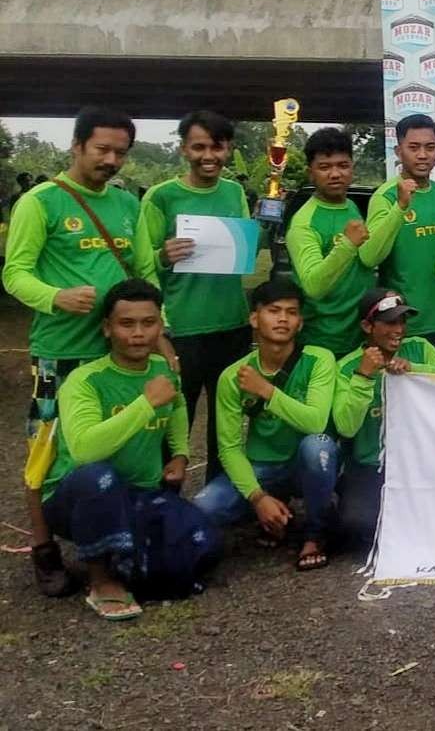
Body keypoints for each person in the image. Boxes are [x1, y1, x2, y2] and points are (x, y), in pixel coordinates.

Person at [2, 107, 160, 597]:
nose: (111, 160)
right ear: (75, 146)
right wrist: (56, 298)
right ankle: (45, 550)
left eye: (120, 153)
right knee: (46, 450)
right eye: (102, 150)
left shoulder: (126, 205)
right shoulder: (40, 203)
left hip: (118, 354)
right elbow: (14, 273)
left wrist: (158, 329)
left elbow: (144, 271)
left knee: (121, 439)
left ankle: (112, 541)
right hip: (61, 354)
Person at [40, 279, 217, 619]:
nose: (138, 333)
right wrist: (145, 404)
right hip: (76, 500)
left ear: (160, 327)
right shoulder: (85, 380)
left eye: (148, 323)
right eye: (126, 324)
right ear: (107, 329)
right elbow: (85, 451)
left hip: (139, 495)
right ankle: (101, 579)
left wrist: (180, 454)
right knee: (98, 476)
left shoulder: (164, 372)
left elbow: (177, 407)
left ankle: (131, 564)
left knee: (205, 542)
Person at [135, 110, 253, 480]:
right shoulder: (161, 196)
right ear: (183, 149)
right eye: (198, 146)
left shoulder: (235, 192)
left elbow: (245, 252)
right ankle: (164, 500)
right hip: (180, 331)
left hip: (231, 327)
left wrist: (255, 239)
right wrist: (162, 256)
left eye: (216, 147)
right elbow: (141, 266)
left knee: (226, 423)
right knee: (172, 421)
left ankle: (219, 497)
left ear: (228, 149)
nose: (208, 156)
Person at [193, 279, 339, 571]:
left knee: (318, 446)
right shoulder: (233, 376)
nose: (283, 318)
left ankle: (316, 533)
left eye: (292, 312)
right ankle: (274, 510)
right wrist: (258, 498)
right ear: (254, 318)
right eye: (273, 311)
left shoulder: (319, 360)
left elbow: (315, 421)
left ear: (300, 322)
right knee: (202, 508)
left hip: (304, 462)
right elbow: (230, 448)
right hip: (263, 466)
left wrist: (267, 391)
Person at [331, 289, 435, 547]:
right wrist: (364, 377)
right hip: (371, 464)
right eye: (390, 322)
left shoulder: (419, 348)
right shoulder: (347, 367)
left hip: (420, 462)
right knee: (358, 526)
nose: (399, 329)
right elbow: (346, 427)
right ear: (367, 326)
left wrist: (416, 369)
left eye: (402, 321)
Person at [285, 127, 403, 356]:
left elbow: (366, 258)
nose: (335, 174)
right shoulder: (303, 223)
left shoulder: (350, 206)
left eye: (342, 165)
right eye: (325, 167)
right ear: (311, 172)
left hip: (360, 336)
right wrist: (348, 244)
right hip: (322, 341)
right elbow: (313, 286)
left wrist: (399, 208)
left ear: (352, 168)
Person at [363, 114, 435, 359]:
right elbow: (369, 256)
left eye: (429, 148)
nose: (422, 155)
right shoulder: (385, 196)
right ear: (398, 151)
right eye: (413, 147)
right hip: (404, 323)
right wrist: (400, 207)